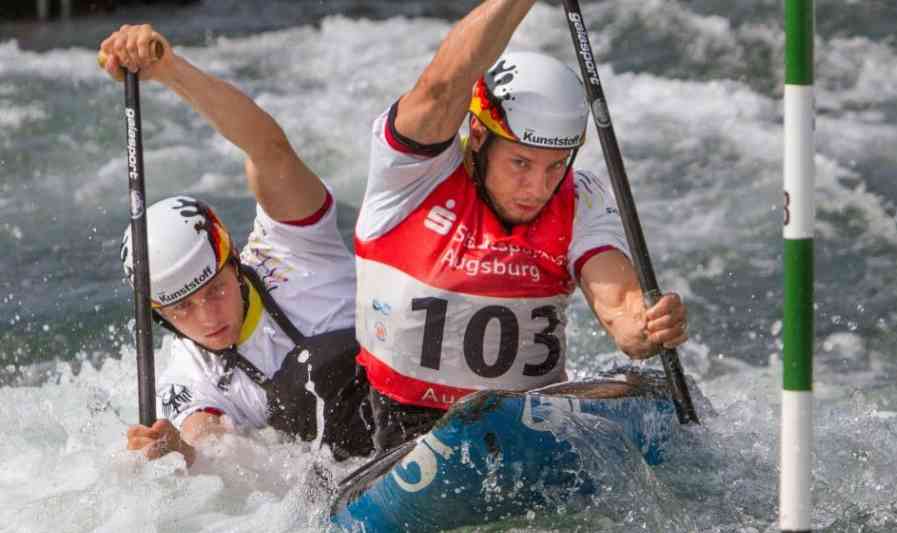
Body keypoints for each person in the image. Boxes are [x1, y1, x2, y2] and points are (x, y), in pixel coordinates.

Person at [353, 0, 690, 453]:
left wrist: (644, 326)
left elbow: (619, 300)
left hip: (525, 428)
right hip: (401, 427)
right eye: (520, 162)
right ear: (478, 135)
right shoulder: (414, 174)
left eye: (555, 166)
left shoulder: (579, 196)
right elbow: (442, 85)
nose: (537, 187)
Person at [99, 25, 374, 466]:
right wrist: (179, 451)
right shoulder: (187, 374)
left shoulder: (292, 249)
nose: (208, 319)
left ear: (233, 261)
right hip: (349, 471)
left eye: (215, 291)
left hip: (414, 395)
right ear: (158, 314)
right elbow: (212, 450)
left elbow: (268, 150)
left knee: (319, 365)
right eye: (181, 309)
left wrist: (170, 71)